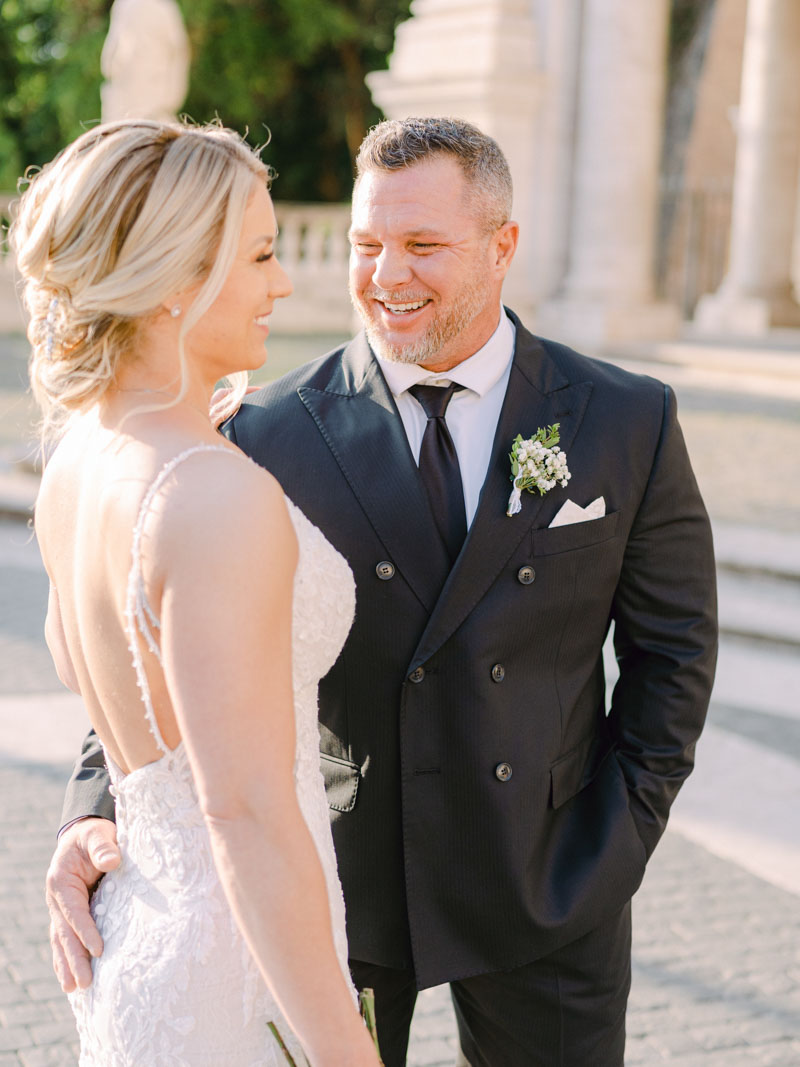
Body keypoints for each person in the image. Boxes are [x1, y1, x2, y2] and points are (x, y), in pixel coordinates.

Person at [47, 117, 718, 1066]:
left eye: (422, 246)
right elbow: (157, 635)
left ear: (503, 246)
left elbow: (675, 656)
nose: (383, 276)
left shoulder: (626, 418)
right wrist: (95, 804)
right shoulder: (261, 431)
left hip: (549, 874)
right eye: (366, 245)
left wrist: (616, 841)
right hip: (337, 880)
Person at [12, 119, 380, 1067]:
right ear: (178, 279)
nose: (284, 281)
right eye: (259, 255)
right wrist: (346, 1051)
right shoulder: (211, 493)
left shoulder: (77, 462)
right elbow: (246, 810)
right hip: (233, 972)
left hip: (143, 939)